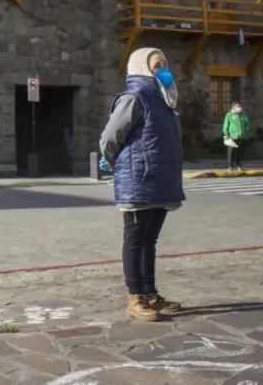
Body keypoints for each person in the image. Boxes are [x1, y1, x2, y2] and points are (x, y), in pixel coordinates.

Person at [99, 48, 186, 322]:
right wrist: (113, 163)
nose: (163, 68)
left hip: (160, 180)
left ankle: (150, 293)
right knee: (135, 240)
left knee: (150, 240)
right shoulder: (134, 98)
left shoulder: (163, 100)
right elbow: (110, 137)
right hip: (139, 179)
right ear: (142, 68)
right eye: (157, 64)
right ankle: (135, 296)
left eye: (164, 62)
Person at [223, 101, 250, 172]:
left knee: (239, 152)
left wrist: (245, 130)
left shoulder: (244, 115)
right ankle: (230, 166)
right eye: (238, 106)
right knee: (231, 152)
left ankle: (239, 165)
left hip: (241, 136)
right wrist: (226, 134)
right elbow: (226, 125)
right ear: (234, 107)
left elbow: (247, 124)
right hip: (231, 137)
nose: (240, 107)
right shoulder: (229, 115)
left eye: (240, 106)